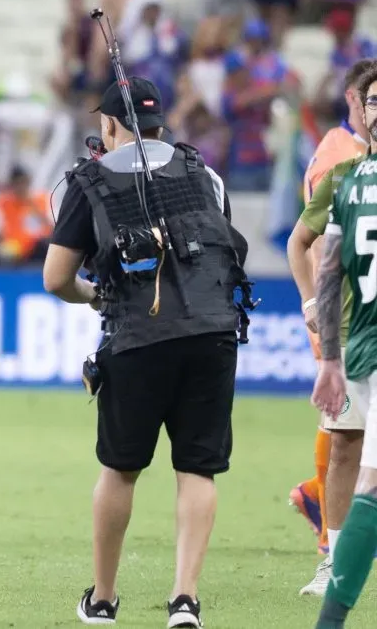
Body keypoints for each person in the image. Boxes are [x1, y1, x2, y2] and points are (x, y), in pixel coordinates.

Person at [43, 76, 246, 628]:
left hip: (138, 338)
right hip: (213, 334)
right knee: (197, 470)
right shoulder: (205, 173)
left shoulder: (89, 181)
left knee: (120, 469)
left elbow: (55, 277)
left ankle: (104, 600)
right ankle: (185, 599)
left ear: (109, 125)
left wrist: (92, 296)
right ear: (161, 125)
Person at [286, 58, 375, 595]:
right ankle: (335, 562)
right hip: (356, 337)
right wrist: (311, 306)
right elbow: (300, 241)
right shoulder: (342, 175)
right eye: (373, 102)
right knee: (345, 446)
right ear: (360, 111)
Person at [311, 63, 377, 629]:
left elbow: (330, 271)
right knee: (363, 471)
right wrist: (330, 356)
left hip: (359, 345)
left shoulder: (352, 181)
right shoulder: (346, 177)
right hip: (361, 345)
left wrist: (330, 358)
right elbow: (327, 273)